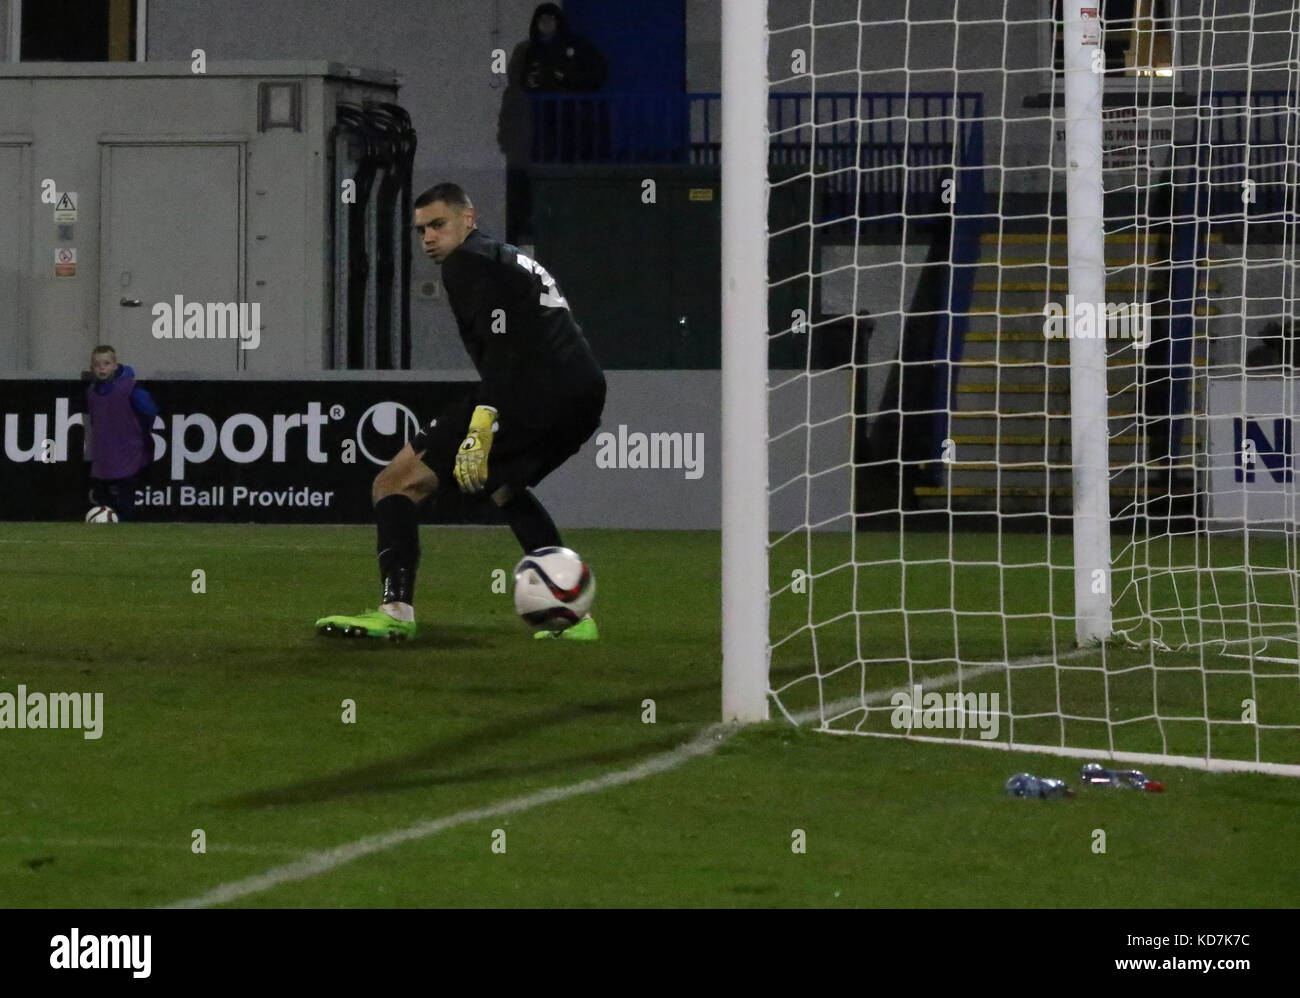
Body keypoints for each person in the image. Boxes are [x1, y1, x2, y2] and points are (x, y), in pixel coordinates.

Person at [315, 183, 606, 642]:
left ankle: (395, 612)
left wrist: (483, 421)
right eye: (420, 230)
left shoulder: (466, 262)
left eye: (438, 225)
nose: (428, 237)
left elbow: (502, 345)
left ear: (467, 219)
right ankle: (573, 619)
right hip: (584, 394)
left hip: (532, 390)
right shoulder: (503, 256)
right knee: (503, 485)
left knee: (394, 482)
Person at [83, 345, 159, 520]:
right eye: (98, 364)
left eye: (106, 363)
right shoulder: (92, 392)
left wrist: (139, 435)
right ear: (92, 368)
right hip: (104, 457)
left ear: (115, 365)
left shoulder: (130, 388)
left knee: (126, 506)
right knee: (105, 502)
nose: (102, 367)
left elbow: (150, 411)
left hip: (129, 454)